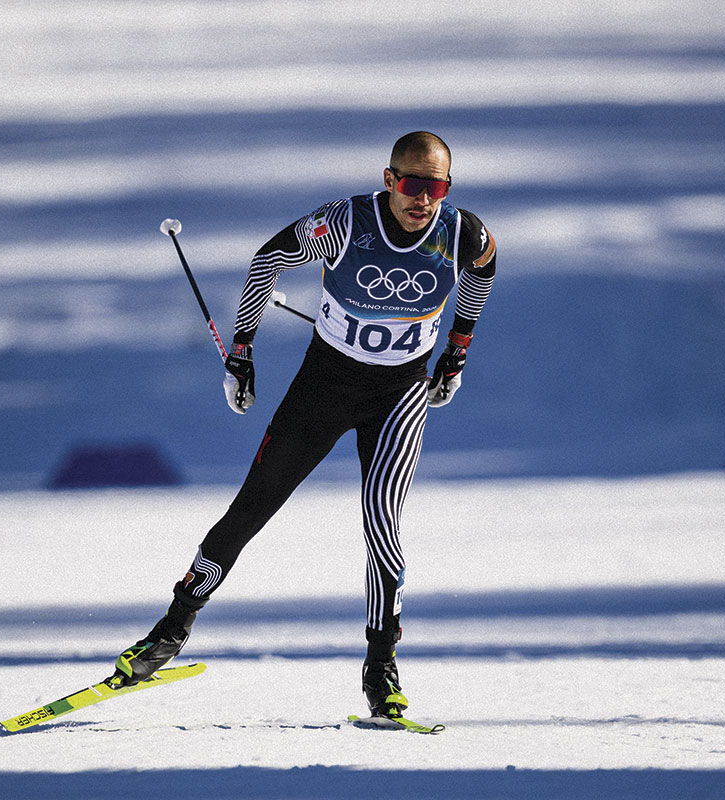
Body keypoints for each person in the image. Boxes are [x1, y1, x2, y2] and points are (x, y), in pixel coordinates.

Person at [112, 131, 496, 720]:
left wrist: (457, 352)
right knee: (254, 505)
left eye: (437, 187)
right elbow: (269, 256)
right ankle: (171, 627)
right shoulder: (347, 222)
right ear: (390, 179)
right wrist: (242, 350)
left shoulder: (463, 233)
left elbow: (481, 274)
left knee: (382, 521)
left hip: (401, 392)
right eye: (414, 184)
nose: (424, 199)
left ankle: (381, 669)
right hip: (325, 388)